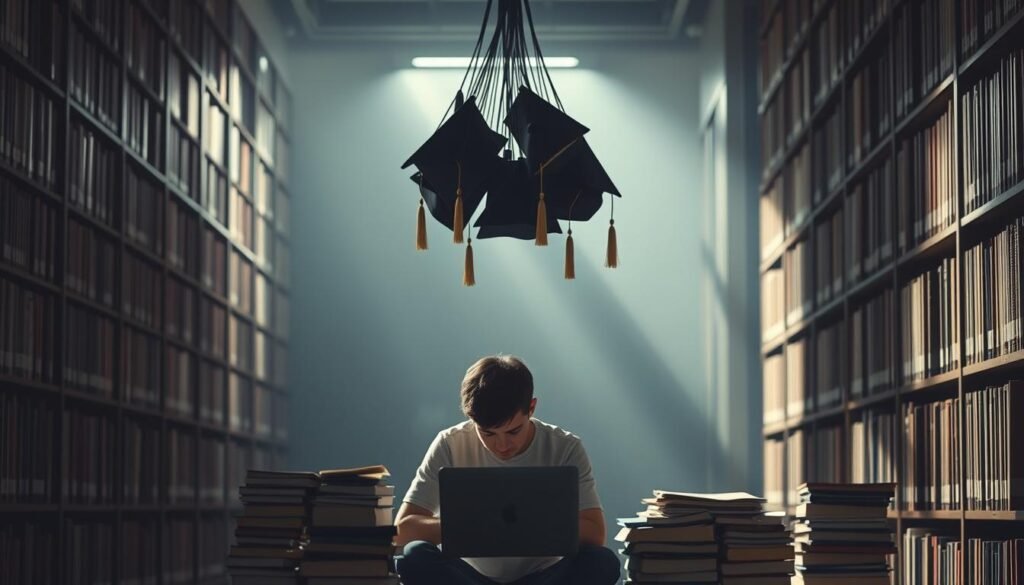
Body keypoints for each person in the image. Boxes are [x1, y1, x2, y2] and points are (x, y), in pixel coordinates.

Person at [394, 355, 620, 585]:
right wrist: (470, 525)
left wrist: (531, 525)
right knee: (414, 556)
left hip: (544, 578)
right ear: (471, 419)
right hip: (470, 579)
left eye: (513, 431)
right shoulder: (449, 443)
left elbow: (595, 533)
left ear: (531, 407)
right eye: (488, 433)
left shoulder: (565, 446)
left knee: (602, 562)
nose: (501, 446)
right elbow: (403, 530)